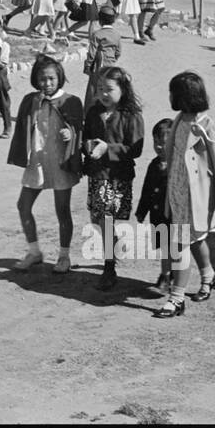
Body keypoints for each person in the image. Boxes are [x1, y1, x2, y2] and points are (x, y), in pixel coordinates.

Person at [156, 71, 215, 318]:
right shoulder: (179, 120)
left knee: (181, 243)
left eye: (172, 92)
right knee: (195, 240)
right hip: (177, 192)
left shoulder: (208, 126)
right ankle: (209, 277)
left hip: (196, 195)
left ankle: (177, 298)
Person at [7, 55, 83, 273]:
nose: (47, 83)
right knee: (23, 206)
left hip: (60, 162)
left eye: (51, 79)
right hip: (37, 162)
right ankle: (34, 251)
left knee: (62, 210)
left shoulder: (71, 101)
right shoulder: (31, 101)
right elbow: (23, 128)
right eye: (42, 79)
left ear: (59, 78)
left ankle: (64, 256)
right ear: (35, 79)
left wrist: (71, 133)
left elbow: (79, 127)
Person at [82, 66, 145, 290]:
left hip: (118, 176)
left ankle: (109, 269)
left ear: (123, 90)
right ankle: (114, 245)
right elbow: (86, 136)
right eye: (100, 88)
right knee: (97, 220)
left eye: (109, 89)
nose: (103, 94)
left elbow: (135, 149)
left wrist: (107, 148)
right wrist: (86, 148)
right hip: (97, 174)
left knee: (106, 219)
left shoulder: (132, 115)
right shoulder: (93, 111)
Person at [135, 118, 175, 296]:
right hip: (158, 216)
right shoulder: (153, 165)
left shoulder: (179, 166)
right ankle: (165, 276)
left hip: (176, 217)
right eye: (156, 143)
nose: (159, 147)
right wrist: (141, 211)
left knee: (178, 249)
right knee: (166, 248)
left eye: (164, 143)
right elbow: (147, 190)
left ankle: (204, 276)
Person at [84, 4, 123, 107]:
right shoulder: (117, 34)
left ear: (100, 20)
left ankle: (89, 112)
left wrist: (88, 66)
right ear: (113, 20)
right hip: (111, 65)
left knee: (94, 88)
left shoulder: (97, 34)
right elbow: (118, 52)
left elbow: (92, 53)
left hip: (99, 66)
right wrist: (113, 59)